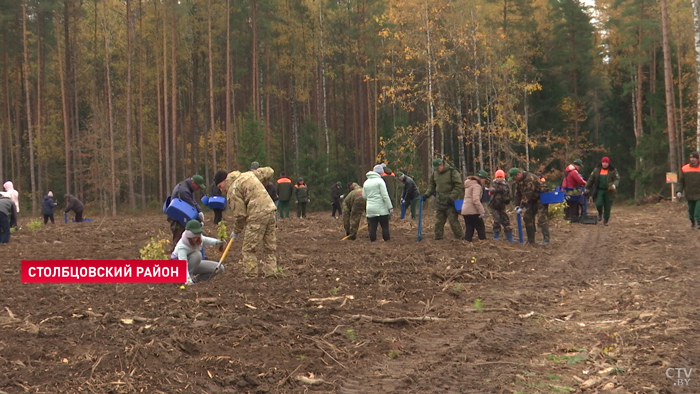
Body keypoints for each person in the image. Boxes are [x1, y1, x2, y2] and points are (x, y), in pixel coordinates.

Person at [224, 167, 278, 277]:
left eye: (220, 187)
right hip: (271, 211)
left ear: (224, 182)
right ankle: (271, 272)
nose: (222, 190)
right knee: (269, 247)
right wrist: (263, 183)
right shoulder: (249, 175)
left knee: (248, 249)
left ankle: (251, 275)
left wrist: (236, 231)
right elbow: (269, 171)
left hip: (256, 215)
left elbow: (240, 215)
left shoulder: (233, 189)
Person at [421, 158, 464, 240]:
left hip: (450, 202)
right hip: (439, 202)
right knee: (439, 222)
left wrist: (452, 197)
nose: (437, 170)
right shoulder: (435, 174)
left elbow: (459, 186)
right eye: (435, 168)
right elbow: (432, 186)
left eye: (438, 168)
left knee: (453, 221)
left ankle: (460, 237)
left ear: (442, 165)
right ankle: (438, 237)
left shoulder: (452, 172)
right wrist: (426, 195)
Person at [172, 219, 226, 285]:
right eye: (193, 236)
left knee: (219, 268)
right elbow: (183, 265)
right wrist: (187, 279)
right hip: (179, 268)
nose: (195, 239)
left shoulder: (199, 238)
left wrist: (218, 242)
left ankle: (196, 279)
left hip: (192, 265)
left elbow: (207, 240)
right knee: (197, 255)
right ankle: (184, 280)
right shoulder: (182, 247)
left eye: (197, 236)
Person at [509, 168, 548, 245]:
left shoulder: (529, 178)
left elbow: (527, 194)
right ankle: (531, 240)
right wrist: (517, 205)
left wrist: (521, 206)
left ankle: (546, 239)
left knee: (542, 218)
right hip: (532, 199)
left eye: (514, 177)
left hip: (541, 197)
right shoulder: (519, 181)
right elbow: (518, 193)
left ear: (518, 174)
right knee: (527, 217)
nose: (514, 179)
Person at [168, 175, 207, 248]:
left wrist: (200, 211)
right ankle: (177, 258)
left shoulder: (186, 187)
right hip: (177, 221)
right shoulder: (184, 191)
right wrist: (199, 220)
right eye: (198, 186)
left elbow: (193, 202)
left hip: (181, 217)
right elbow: (191, 206)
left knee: (184, 241)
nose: (198, 189)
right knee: (179, 242)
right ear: (193, 183)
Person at [584, 157, 620, 226]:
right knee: (598, 203)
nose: (605, 164)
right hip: (600, 190)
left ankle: (606, 220)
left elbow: (617, 179)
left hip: (609, 191)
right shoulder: (597, 170)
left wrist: (614, 185)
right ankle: (600, 213)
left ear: (608, 163)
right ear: (601, 163)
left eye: (606, 163)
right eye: (604, 162)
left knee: (607, 206)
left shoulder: (613, 170)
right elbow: (591, 179)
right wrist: (587, 188)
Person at [363, 166, 393, 241]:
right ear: (380, 173)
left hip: (370, 209)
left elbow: (364, 196)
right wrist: (390, 207)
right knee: (385, 226)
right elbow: (385, 196)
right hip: (381, 209)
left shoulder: (366, 182)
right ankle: (387, 241)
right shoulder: (380, 181)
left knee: (372, 227)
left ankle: (373, 243)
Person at [489, 170, 514, 241]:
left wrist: (508, 199)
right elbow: (490, 191)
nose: (499, 178)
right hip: (494, 205)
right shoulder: (493, 184)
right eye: (498, 177)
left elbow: (509, 194)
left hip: (502, 206)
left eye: (501, 177)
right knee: (496, 220)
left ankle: (509, 237)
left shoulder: (506, 185)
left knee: (505, 220)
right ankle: (496, 237)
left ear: (503, 177)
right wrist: (498, 190)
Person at [461, 174, 487, 242]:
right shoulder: (476, 186)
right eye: (484, 180)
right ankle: (483, 242)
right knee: (480, 227)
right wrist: (481, 211)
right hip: (473, 210)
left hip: (465, 210)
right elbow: (475, 199)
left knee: (469, 228)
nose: (484, 181)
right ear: (481, 179)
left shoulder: (468, 185)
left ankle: (467, 242)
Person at [678, 151, 700, 228]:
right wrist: (679, 191)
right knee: (691, 209)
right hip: (689, 193)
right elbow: (681, 181)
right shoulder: (685, 168)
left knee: (698, 209)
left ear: (697, 159)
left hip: (699, 193)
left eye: (694, 158)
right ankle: (692, 222)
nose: (692, 159)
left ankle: (698, 222)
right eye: (691, 158)